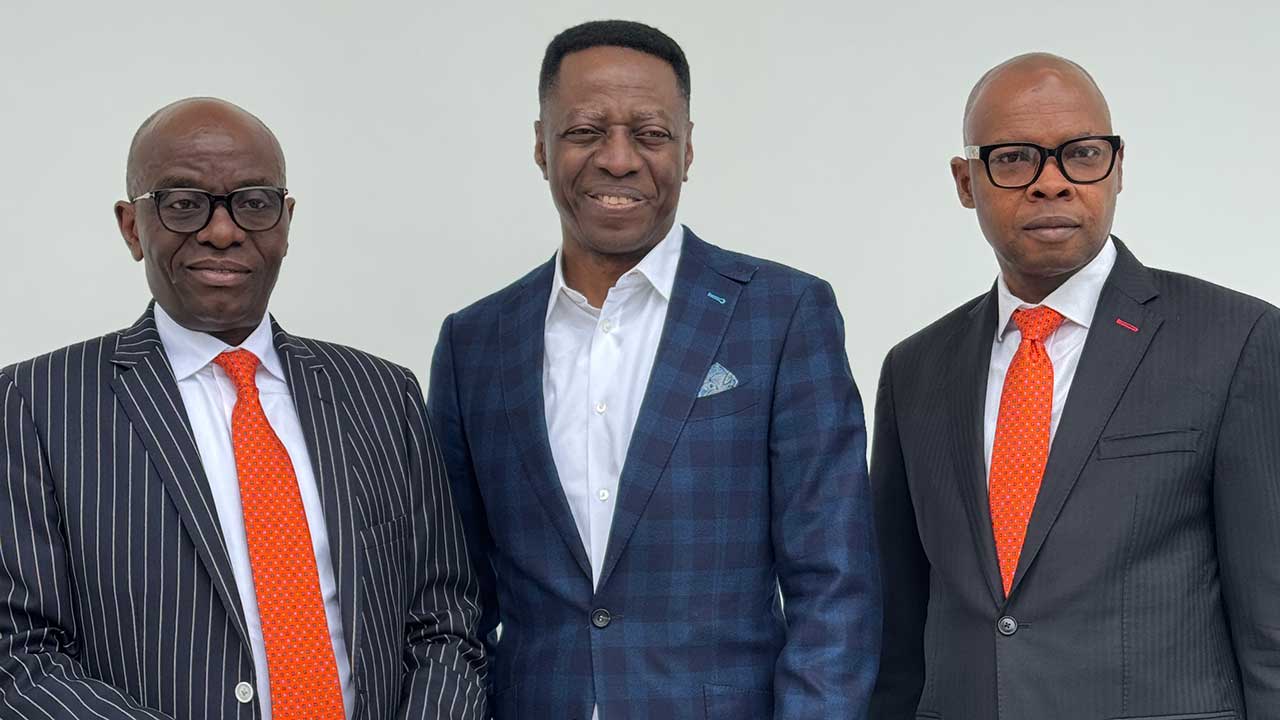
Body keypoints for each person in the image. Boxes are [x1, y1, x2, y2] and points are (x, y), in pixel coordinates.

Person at [427, 19, 880, 720]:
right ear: (541, 146)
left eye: (650, 133)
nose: (618, 159)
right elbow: (455, 600)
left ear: (687, 148)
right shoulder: (475, 344)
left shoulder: (783, 315)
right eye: (585, 131)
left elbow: (835, 585)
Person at [0, 98, 486, 719]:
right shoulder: (37, 404)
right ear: (131, 227)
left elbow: (445, 623)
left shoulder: (382, 396)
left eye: (253, 203)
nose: (223, 231)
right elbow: (21, 655)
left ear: (285, 221)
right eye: (183, 204)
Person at [870, 53, 1280, 718]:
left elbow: (1271, 626)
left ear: (1117, 168)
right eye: (1013, 159)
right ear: (966, 182)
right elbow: (897, 631)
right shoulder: (915, 370)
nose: (1051, 184)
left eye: (1082, 155)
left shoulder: (1236, 341)